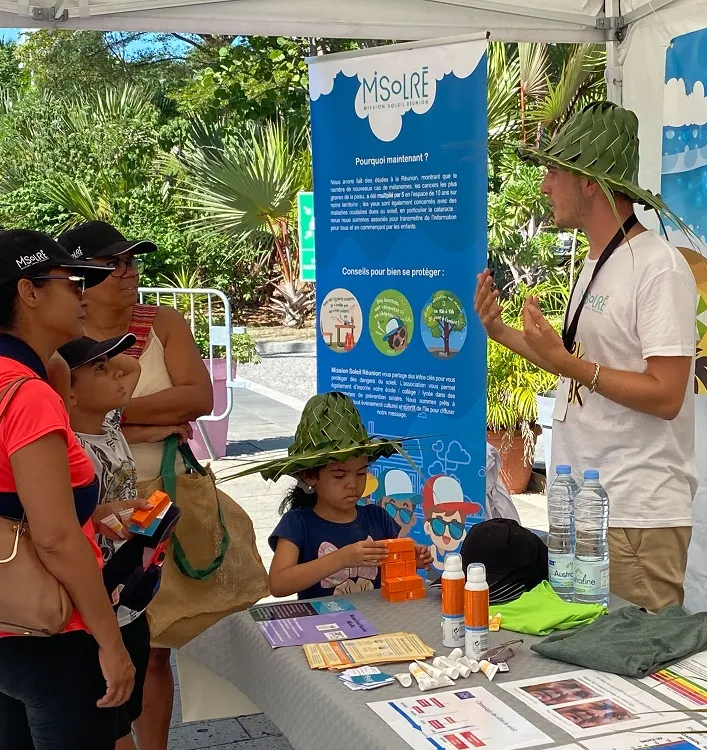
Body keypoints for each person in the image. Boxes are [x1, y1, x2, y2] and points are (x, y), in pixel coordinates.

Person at [474, 101, 698, 612]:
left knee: (636, 653)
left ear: (590, 181)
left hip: (633, 513)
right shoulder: (600, 260)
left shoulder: (658, 267)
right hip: (585, 509)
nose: (544, 185)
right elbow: (572, 367)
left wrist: (571, 364)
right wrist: (499, 331)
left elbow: (667, 395)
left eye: (555, 172)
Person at [57, 220, 212, 750]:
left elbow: (199, 399)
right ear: (77, 278)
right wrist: (133, 421)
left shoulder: (162, 321)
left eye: (130, 260)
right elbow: (57, 416)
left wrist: (107, 414)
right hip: (93, 507)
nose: (128, 272)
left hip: (159, 500)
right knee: (101, 649)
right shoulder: (60, 342)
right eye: (111, 264)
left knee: (152, 646)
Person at [0, 229, 135, 750]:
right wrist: (111, 642)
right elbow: (56, 538)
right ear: (28, 292)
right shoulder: (27, 395)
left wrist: (91, 511)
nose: (84, 293)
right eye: (71, 282)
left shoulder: (19, 378)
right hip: (54, 630)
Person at [58, 334, 186, 750]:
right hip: (93, 598)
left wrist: (100, 354)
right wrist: (98, 516)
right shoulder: (66, 443)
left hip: (129, 593)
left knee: (127, 707)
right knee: (108, 721)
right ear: (68, 393)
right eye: (99, 370)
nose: (117, 374)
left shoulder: (109, 423)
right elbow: (55, 520)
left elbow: (131, 366)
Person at [230, 391, 433, 599]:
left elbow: (393, 562)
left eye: (361, 473)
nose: (352, 484)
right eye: (339, 475)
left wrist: (411, 559)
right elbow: (278, 585)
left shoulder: (378, 518)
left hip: (374, 617)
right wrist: (341, 559)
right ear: (310, 476)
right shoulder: (297, 524)